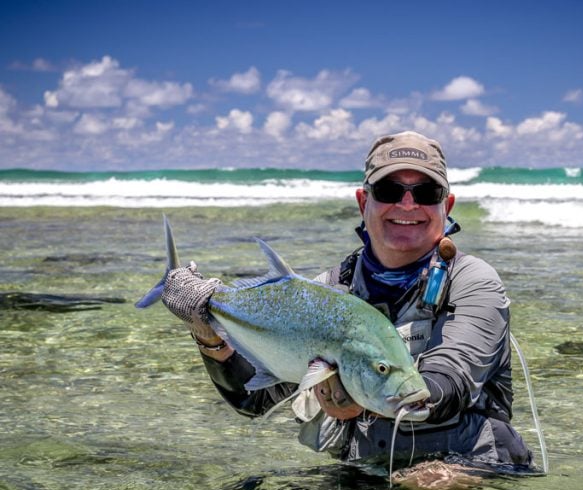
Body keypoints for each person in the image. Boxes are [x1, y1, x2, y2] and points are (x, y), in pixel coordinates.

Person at [161, 131, 533, 469]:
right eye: (389, 190)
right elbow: (253, 400)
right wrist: (207, 330)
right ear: (362, 201)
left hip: (463, 473)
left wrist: (366, 388)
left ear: (446, 205)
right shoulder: (326, 293)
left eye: (425, 193)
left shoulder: (472, 282)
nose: (407, 205)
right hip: (366, 477)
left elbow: (453, 379)